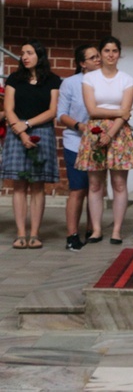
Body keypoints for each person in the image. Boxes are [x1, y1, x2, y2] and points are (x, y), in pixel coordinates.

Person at [75, 36, 133, 245]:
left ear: (119, 54)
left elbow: (125, 113)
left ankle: (117, 230)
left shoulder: (127, 79)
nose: (111, 55)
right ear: (100, 54)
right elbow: (92, 109)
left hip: (118, 133)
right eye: (106, 51)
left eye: (114, 51)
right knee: (95, 184)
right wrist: (120, 111)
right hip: (94, 131)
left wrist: (110, 133)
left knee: (119, 183)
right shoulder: (90, 79)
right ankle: (95, 229)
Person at [1, 40, 61, 250]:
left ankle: (34, 233)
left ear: (39, 55)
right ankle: (20, 234)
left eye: (29, 52)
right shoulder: (15, 78)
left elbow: (52, 111)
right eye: (22, 53)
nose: (24, 56)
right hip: (17, 133)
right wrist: (20, 130)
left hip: (41, 132)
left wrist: (27, 125)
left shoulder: (52, 80)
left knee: (37, 185)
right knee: (19, 184)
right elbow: (8, 108)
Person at [57, 44, 101, 251]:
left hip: (99, 142)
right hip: (75, 140)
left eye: (98, 56)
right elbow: (61, 114)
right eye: (92, 58)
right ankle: (72, 234)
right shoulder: (71, 83)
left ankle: (93, 230)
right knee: (78, 188)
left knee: (96, 187)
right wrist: (79, 126)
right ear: (82, 63)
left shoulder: (105, 80)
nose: (98, 60)